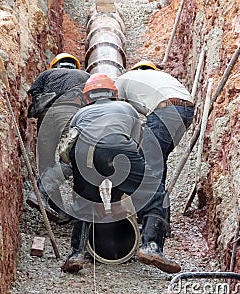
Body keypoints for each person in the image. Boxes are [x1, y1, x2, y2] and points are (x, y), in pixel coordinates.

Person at [60, 73, 182, 274]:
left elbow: (72, 141)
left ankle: (76, 254)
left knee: (84, 201)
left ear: (88, 97)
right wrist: (120, 197)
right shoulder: (127, 109)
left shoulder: (80, 114)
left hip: (84, 151)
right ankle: (151, 246)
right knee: (155, 194)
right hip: (120, 147)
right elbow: (134, 145)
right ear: (114, 94)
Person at [115, 60, 195, 227]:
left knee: (149, 167)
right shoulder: (163, 78)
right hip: (186, 111)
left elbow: (118, 114)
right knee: (158, 163)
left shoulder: (123, 79)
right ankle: (161, 221)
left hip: (165, 109)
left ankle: (150, 222)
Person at [26, 53, 90, 224]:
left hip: (46, 118)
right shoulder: (85, 76)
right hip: (71, 113)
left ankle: (54, 207)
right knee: (72, 159)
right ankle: (77, 208)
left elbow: (34, 95)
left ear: (55, 65)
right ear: (75, 66)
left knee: (46, 161)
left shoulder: (45, 75)